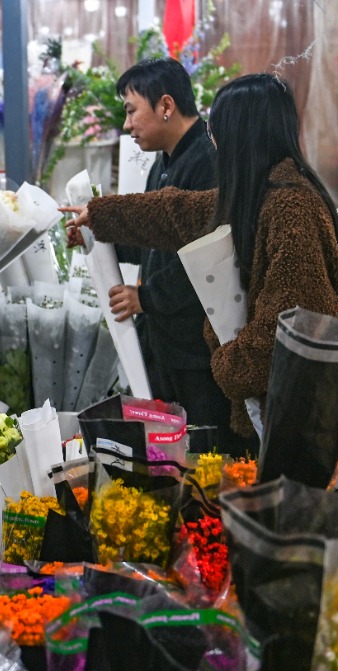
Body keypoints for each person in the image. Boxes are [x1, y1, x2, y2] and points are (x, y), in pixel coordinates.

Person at [62, 73, 338, 439]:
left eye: (219, 132)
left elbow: (292, 321)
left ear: (243, 135)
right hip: (264, 397)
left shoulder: (291, 206)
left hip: (292, 409)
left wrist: (229, 365)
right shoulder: (260, 193)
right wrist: (102, 217)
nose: (214, 142)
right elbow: (179, 213)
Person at [105, 57, 246, 451]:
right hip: (170, 340)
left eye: (132, 111)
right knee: (177, 448)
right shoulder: (167, 162)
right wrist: (103, 236)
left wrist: (145, 297)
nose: (127, 125)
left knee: (208, 450)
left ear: (166, 106)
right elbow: (157, 236)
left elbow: (209, 257)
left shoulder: (206, 161)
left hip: (198, 348)